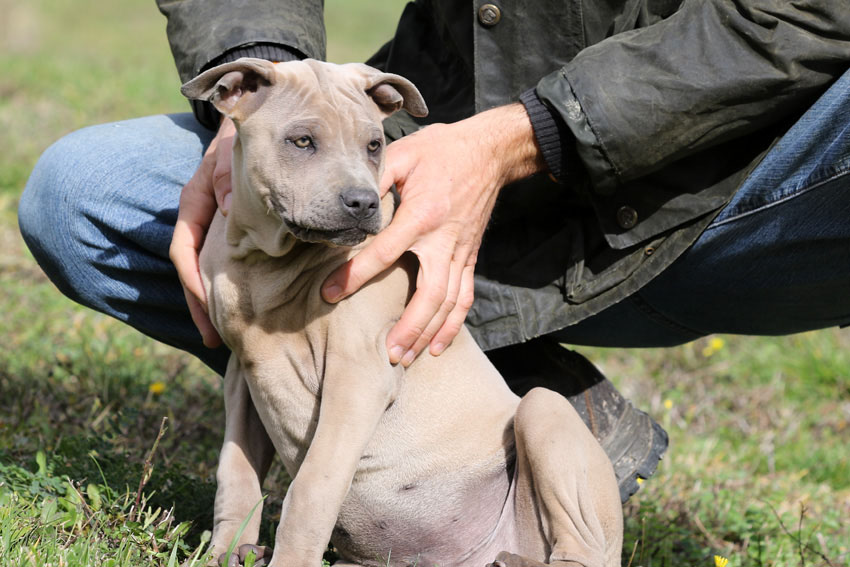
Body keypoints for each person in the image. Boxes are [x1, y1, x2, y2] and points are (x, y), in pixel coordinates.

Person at [18, 0, 850, 504]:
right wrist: (269, 97)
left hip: (741, 189)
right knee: (88, 190)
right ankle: (509, 395)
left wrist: (526, 137)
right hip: (408, 182)